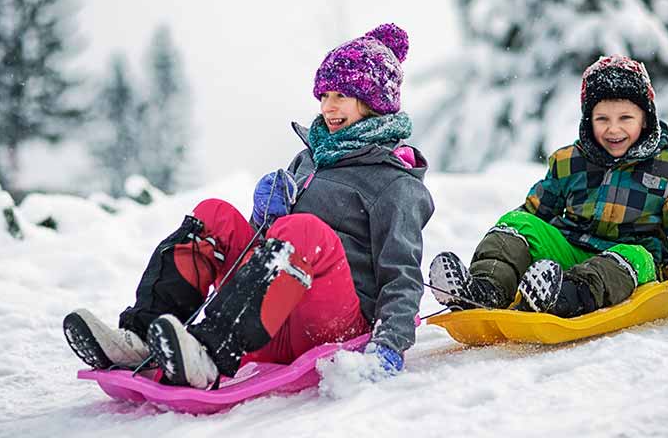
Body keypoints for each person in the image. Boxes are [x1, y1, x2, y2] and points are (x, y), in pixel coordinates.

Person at [63, 23, 434, 388]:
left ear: (372, 103)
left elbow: (401, 275)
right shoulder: (308, 159)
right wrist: (265, 216)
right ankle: (141, 337)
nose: (327, 107)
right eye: (323, 96)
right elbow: (271, 241)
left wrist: (389, 345)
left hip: (334, 323)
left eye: (340, 96)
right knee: (213, 215)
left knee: (305, 230)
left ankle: (212, 351)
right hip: (271, 316)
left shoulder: (394, 182)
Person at [429, 54, 668, 318]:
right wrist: (515, 244)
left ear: (645, 119)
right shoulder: (569, 161)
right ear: (588, 120)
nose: (613, 129)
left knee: (630, 256)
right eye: (602, 118)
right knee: (517, 223)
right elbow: (535, 214)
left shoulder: (665, 167)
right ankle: (484, 290)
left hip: (634, 263)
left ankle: (560, 297)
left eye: (626, 117)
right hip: (572, 250)